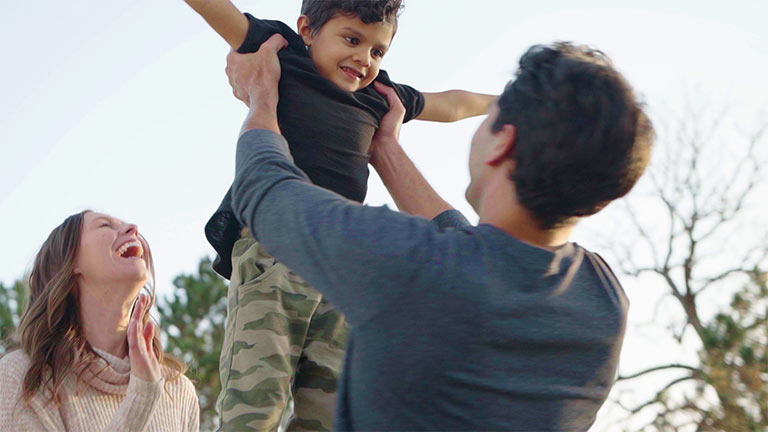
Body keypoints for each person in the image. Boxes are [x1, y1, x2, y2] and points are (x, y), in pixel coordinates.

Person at [222, 34, 654, 430]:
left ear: (503, 142)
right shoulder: (603, 303)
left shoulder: (408, 264)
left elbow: (266, 192)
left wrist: (261, 95)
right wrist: (386, 149)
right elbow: (485, 262)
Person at [182, 0, 495, 429]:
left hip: (341, 267)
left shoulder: (381, 97)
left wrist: (509, 104)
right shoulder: (286, 54)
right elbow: (220, 13)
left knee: (330, 411)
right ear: (308, 29)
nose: (364, 59)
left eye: (377, 51)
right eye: (352, 39)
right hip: (275, 249)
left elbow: (451, 105)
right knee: (257, 398)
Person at [0, 211, 199, 431]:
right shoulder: (23, 377)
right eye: (105, 226)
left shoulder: (179, 390)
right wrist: (141, 399)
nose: (132, 228)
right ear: (70, 261)